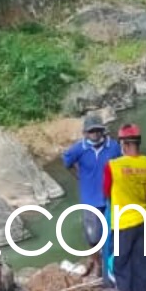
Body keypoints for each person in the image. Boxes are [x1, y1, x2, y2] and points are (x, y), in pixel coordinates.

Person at [102, 124, 146, 291]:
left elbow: (106, 192)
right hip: (144, 220)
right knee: (143, 266)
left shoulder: (113, 166)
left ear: (124, 144)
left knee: (121, 268)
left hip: (123, 224)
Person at [61, 114, 120, 276]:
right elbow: (67, 162)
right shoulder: (78, 149)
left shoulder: (113, 147)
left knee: (113, 233)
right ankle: (97, 263)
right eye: (91, 131)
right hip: (90, 199)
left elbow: (122, 166)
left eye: (98, 131)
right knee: (93, 236)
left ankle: (112, 264)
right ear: (85, 133)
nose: (95, 134)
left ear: (103, 131)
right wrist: (79, 176)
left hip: (111, 198)